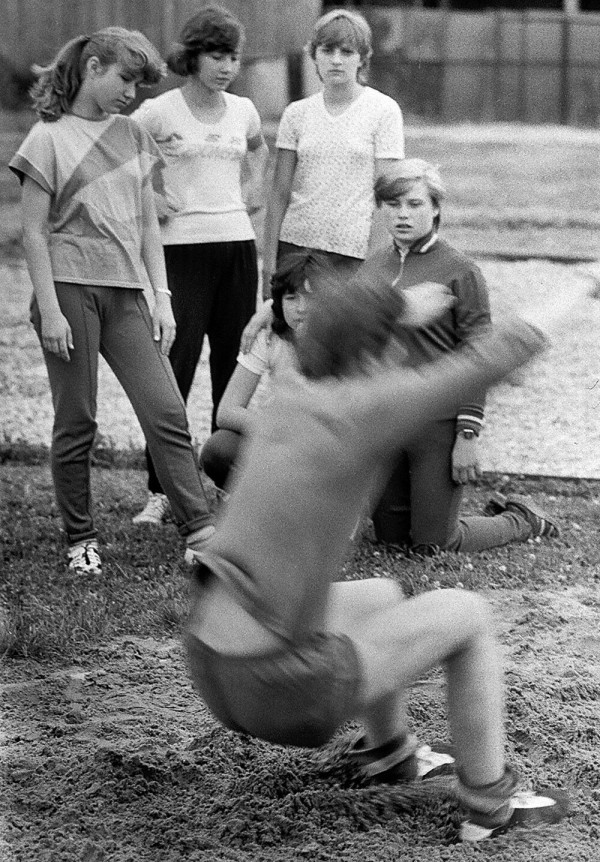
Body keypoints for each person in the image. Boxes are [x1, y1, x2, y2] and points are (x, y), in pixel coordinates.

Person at [185, 271, 577, 842]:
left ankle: (388, 754)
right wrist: (582, 284)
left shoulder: (292, 390)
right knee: (468, 615)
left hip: (211, 662)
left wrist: (384, 306)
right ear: (375, 355)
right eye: (396, 345)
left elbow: (303, 336)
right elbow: (495, 355)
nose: (402, 357)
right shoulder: (364, 408)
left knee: (381, 595)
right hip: (279, 691)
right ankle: (491, 807)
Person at [9, 27, 214, 575]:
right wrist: (51, 311)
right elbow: (32, 234)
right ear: (93, 67)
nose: (131, 93)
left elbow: (149, 224)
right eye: (125, 79)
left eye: (140, 85)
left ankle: (201, 532)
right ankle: (81, 539)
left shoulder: (134, 135)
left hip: (128, 294)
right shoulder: (47, 138)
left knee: (166, 411)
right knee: (77, 420)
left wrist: (163, 298)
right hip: (67, 291)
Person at [358, 159, 559, 554]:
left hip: (439, 423)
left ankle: (522, 520)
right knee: (390, 541)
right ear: (380, 208)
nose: (402, 214)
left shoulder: (461, 270)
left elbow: (478, 355)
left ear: (436, 208)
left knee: (434, 544)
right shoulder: (371, 267)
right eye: (393, 204)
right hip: (387, 419)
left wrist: (467, 435)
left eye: (415, 204)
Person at [130, 5, 269, 525]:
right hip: (181, 251)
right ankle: (160, 490)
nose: (227, 67)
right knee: (176, 369)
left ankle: (227, 485)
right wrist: (151, 197)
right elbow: (118, 157)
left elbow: (259, 152)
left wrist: (253, 189)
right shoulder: (158, 112)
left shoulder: (244, 110)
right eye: (216, 56)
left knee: (233, 367)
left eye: (233, 57)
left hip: (237, 248)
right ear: (192, 57)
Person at [261, 7, 405, 295]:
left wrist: (374, 268)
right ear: (314, 55)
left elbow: (387, 196)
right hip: (296, 249)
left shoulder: (383, 111)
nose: (336, 60)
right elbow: (279, 193)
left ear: (362, 58)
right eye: (327, 50)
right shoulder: (296, 114)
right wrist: (269, 262)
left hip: (352, 254)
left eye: (347, 52)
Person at [200, 251, 317, 492]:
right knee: (219, 449)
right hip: (278, 434)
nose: (301, 308)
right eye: (292, 298)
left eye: (310, 297)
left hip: (324, 443)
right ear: (278, 303)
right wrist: (275, 428)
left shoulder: (343, 338)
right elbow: (227, 411)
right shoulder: (269, 338)